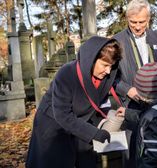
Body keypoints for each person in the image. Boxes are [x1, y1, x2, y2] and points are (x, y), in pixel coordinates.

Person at [26, 36, 122, 168]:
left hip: (81, 124)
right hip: (53, 126)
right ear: (91, 59)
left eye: (111, 66)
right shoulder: (67, 73)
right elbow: (63, 115)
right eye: (105, 65)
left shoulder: (106, 75)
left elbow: (98, 102)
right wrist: (94, 133)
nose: (108, 71)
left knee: (85, 161)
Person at [114, 0, 157, 108]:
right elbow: (110, 76)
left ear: (148, 19)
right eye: (133, 22)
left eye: (142, 22)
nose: (138, 27)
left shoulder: (156, 38)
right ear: (127, 19)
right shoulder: (116, 41)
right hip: (132, 103)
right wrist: (127, 89)